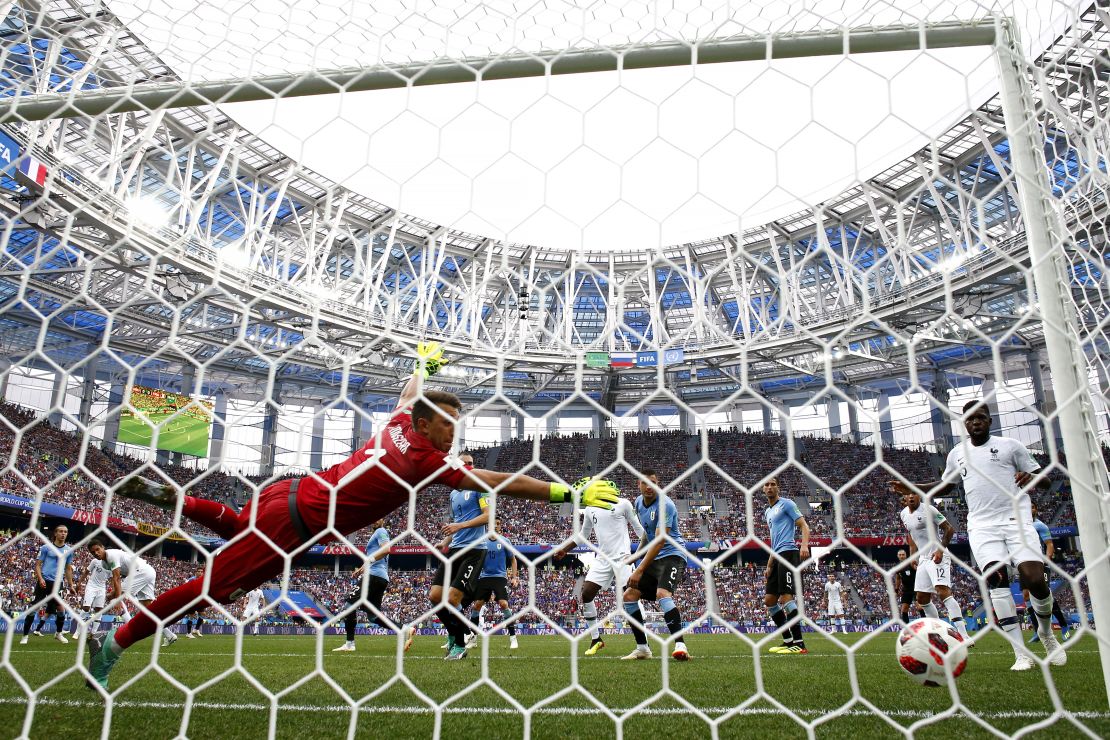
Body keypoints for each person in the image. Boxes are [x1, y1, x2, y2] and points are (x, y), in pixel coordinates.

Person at [89, 343, 618, 689]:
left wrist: (424, 367)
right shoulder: (423, 460)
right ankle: (115, 643)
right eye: (450, 425)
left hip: (288, 492)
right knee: (210, 590)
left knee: (233, 525)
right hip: (294, 524)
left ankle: (172, 499)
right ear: (428, 426)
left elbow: (410, 393)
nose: (455, 433)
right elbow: (497, 482)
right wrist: (567, 493)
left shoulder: (398, 425)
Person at [892, 400, 1065, 671]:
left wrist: (1031, 478)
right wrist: (912, 487)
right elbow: (945, 486)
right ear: (965, 423)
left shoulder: (1010, 446)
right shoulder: (957, 454)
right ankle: (1020, 653)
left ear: (989, 421)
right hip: (982, 527)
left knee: (1034, 579)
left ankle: (1046, 634)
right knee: (997, 581)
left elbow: (1044, 480)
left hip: (1016, 522)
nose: (976, 422)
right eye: (971, 419)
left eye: (981, 417)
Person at [555, 481, 645, 656]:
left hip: (623, 558)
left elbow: (638, 529)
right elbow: (583, 535)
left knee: (630, 598)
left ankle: (643, 644)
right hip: (602, 559)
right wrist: (565, 549)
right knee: (586, 594)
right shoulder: (590, 509)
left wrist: (648, 550)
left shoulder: (623, 503)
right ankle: (596, 639)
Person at [622, 469, 691, 661]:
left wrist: (639, 569)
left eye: (653, 482)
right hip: (654, 557)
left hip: (672, 554)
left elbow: (660, 540)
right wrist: (635, 556)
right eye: (645, 482)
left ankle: (680, 645)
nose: (649, 486)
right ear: (639, 484)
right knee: (629, 596)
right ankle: (643, 648)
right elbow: (648, 533)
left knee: (662, 594)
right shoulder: (638, 503)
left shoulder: (665, 505)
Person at [431, 454, 489, 661]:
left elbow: (487, 515)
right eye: (464, 463)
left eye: (472, 463)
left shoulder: (480, 486)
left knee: (452, 598)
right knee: (435, 598)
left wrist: (460, 526)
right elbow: (456, 521)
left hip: (474, 550)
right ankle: (459, 635)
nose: (468, 466)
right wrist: (445, 542)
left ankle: (459, 645)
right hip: (455, 549)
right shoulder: (454, 493)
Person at [333, 519, 414, 652]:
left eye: (380, 518)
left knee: (349, 606)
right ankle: (405, 629)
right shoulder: (375, 536)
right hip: (379, 577)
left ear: (383, 521)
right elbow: (373, 558)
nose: (376, 520)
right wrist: (361, 569)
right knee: (373, 616)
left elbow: (387, 549)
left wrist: (369, 560)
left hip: (374, 576)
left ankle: (349, 644)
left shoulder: (381, 531)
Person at [898, 490, 970, 640]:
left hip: (938, 555)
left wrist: (940, 550)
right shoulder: (903, 514)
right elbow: (911, 536)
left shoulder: (929, 510)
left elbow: (949, 528)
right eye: (908, 494)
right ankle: (939, 633)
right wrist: (913, 556)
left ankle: (964, 635)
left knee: (942, 591)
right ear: (904, 497)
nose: (911, 496)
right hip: (923, 559)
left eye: (914, 493)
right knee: (922, 598)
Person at [87, 538, 177, 648]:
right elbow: (119, 577)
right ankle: (170, 635)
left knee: (115, 597)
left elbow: (117, 579)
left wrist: (117, 598)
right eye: (93, 552)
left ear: (103, 548)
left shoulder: (111, 555)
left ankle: (130, 628)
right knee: (148, 609)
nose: (96, 553)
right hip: (147, 572)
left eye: (97, 549)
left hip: (142, 571)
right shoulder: (104, 564)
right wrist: (115, 593)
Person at [762, 478, 810, 655]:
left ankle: (799, 643)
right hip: (776, 556)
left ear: (778, 487)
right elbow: (774, 542)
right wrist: (769, 565)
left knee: (786, 597)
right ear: (762, 489)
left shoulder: (787, 504)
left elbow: (804, 525)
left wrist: (804, 545)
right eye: (766, 485)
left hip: (789, 553)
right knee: (769, 600)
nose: (769, 487)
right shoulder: (768, 511)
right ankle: (788, 641)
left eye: (773, 484)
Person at [21, 524, 76, 645]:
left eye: (65, 532)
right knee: (34, 608)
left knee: (61, 609)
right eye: (61, 531)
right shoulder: (46, 548)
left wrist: (71, 585)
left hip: (58, 583)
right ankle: (25, 636)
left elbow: (68, 569)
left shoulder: (69, 550)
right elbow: (38, 565)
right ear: (55, 533)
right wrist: (40, 579)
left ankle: (58, 633)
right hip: (44, 581)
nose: (63, 534)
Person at [466, 532, 521, 650]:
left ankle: (513, 638)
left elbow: (513, 559)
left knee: (504, 604)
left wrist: (514, 577)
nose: (495, 526)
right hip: (484, 577)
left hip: (500, 577)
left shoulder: (505, 541)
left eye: (498, 524)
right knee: (476, 606)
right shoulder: (482, 541)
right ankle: (473, 639)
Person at [1026, 503, 1071, 643]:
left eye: (1033, 507)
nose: (1030, 509)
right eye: (1028, 507)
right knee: (1027, 597)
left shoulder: (1040, 526)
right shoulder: (1020, 525)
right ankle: (1037, 631)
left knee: (1045, 594)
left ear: (1036, 509)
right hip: (1024, 564)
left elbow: (1049, 544)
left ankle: (1064, 626)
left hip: (1040, 564)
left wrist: (1046, 561)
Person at [895, 549, 915, 624]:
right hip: (906, 589)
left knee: (919, 607)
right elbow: (898, 578)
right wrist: (896, 590)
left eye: (903, 554)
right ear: (898, 556)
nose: (901, 556)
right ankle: (906, 629)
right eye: (900, 555)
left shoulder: (911, 563)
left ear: (906, 555)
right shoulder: (897, 566)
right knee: (904, 610)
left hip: (915, 588)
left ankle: (926, 627)